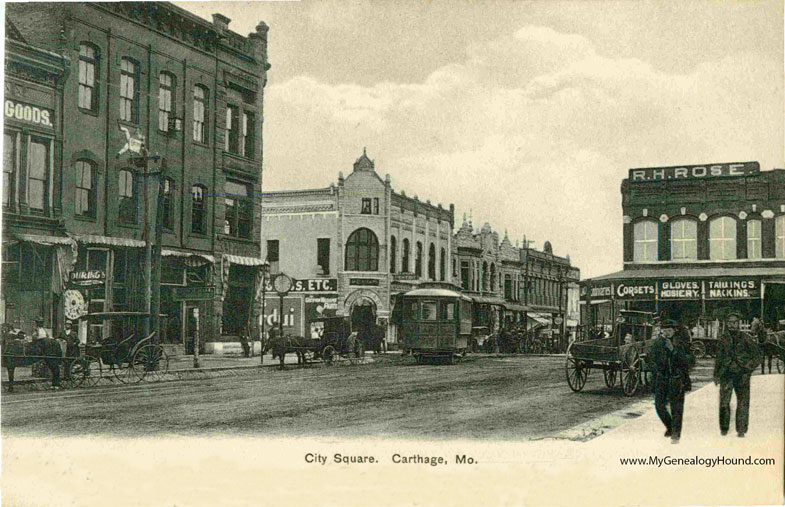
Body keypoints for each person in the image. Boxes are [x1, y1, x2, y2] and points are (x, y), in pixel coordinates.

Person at [714, 312, 761, 438]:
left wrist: (748, 368)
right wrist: (716, 374)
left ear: (738, 323)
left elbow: (758, 356)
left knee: (743, 402)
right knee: (724, 402)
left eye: (734, 322)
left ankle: (741, 430)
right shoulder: (723, 339)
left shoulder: (746, 338)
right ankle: (724, 429)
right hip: (726, 374)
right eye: (729, 322)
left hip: (742, 375)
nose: (731, 325)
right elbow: (719, 358)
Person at [649, 319, 693, 443]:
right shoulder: (658, 343)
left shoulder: (681, 343)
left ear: (675, 331)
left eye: (669, 330)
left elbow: (688, 361)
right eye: (665, 330)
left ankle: (675, 435)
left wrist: (673, 350)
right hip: (662, 378)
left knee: (676, 408)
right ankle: (670, 426)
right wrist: (656, 370)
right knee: (659, 406)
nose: (667, 333)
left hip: (677, 378)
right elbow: (651, 358)